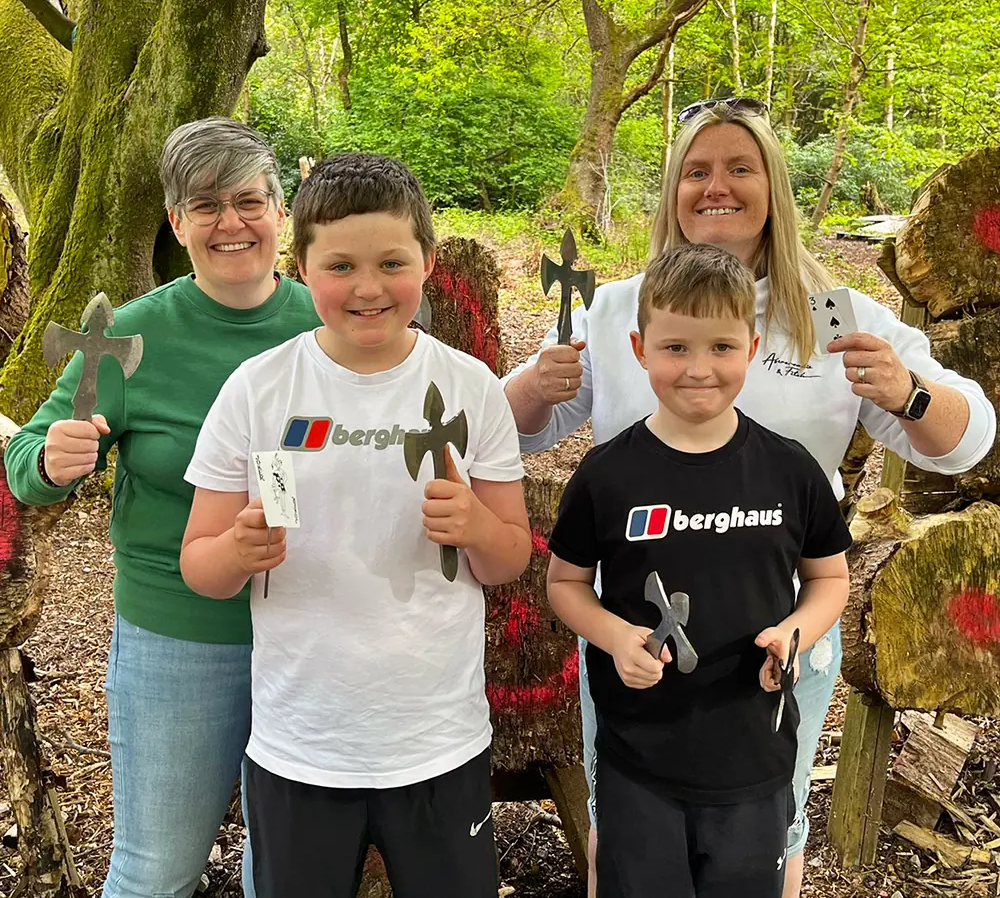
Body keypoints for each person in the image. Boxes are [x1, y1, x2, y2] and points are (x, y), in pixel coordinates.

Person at [503, 97, 997, 898]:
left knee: (774, 833)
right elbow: (516, 431)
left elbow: (970, 437)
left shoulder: (828, 313)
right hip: (642, 650)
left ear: (775, 186)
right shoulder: (622, 308)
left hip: (778, 645)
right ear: (672, 188)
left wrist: (908, 394)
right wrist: (531, 385)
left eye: (740, 168)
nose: (716, 187)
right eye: (696, 171)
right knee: (625, 832)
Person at [179, 153, 532, 898]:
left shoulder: (469, 388)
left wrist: (474, 525)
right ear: (301, 267)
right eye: (340, 265)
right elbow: (200, 568)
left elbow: (510, 558)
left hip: (438, 740)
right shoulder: (259, 391)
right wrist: (238, 549)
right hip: (301, 743)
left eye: (392, 262)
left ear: (429, 263)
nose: (368, 288)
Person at [4, 117, 321, 898]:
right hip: (178, 636)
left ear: (282, 212)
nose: (232, 223)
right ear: (176, 223)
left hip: (319, 634)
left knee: (285, 873)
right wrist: (50, 460)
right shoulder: (130, 336)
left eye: (249, 200)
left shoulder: (331, 325)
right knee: (156, 870)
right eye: (205, 205)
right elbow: (25, 460)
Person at [547, 242, 852, 896]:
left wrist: (796, 631)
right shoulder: (609, 475)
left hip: (756, 759)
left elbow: (830, 579)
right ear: (638, 349)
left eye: (720, 347)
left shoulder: (791, 469)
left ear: (749, 346)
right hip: (639, 762)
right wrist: (613, 635)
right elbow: (564, 584)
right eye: (675, 347)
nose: (698, 369)